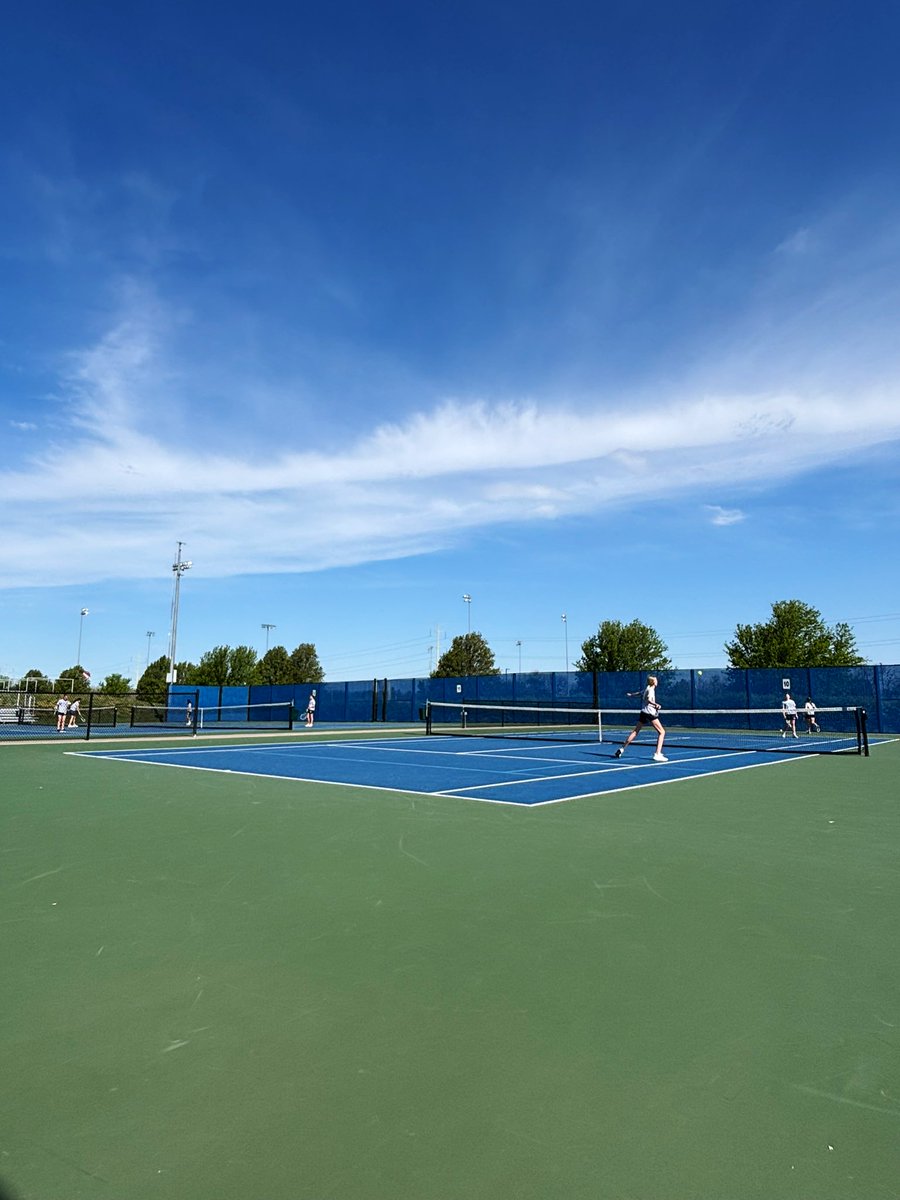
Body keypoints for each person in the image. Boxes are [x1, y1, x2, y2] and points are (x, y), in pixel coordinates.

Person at [614, 675, 668, 762]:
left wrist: (631, 694)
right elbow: (649, 699)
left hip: (643, 712)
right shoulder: (651, 690)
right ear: (653, 682)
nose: (657, 681)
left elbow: (639, 694)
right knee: (662, 732)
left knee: (635, 731)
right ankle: (657, 754)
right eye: (656, 680)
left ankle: (622, 749)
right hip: (650, 713)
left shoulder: (647, 688)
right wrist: (656, 705)